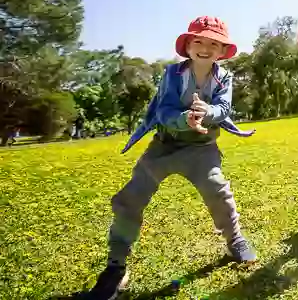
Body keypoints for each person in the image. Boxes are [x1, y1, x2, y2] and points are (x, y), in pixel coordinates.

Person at [87, 16, 256, 300]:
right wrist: (184, 119)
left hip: (202, 148)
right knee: (131, 197)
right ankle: (116, 266)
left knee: (218, 191)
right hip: (164, 146)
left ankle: (235, 239)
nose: (205, 47)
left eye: (213, 43)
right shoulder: (172, 74)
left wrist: (208, 113)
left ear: (222, 51)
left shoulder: (224, 77)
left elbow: (224, 107)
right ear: (188, 46)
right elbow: (163, 110)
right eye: (198, 41)